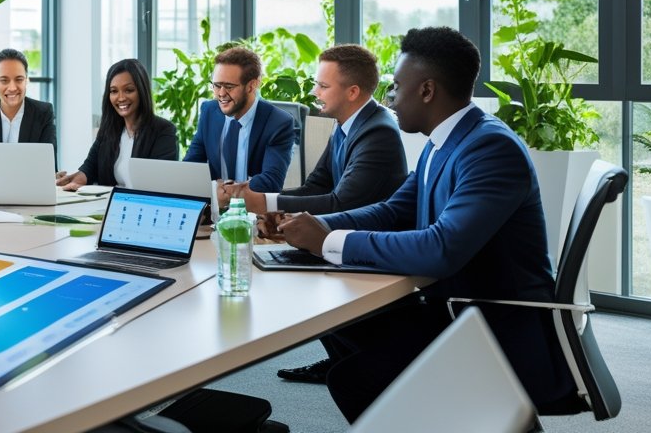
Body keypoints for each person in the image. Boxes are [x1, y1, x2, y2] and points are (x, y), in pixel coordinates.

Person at [277, 27, 576, 422]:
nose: (390, 98)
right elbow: (391, 210)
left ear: (428, 90)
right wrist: (310, 226)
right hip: (454, 306)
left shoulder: (489, 148)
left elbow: (441, 249)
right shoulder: (444, 141)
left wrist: (329, 242)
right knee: (339, 319)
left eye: (397, 87)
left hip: (491, 325)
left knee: (355, 378)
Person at [221, 44, 406, 385]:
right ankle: (340, 358)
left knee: (288, 269)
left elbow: (340, 203)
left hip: (369, 253)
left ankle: (351, 360)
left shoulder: (377, 132)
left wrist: (260, 203)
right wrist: (270, 205)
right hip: (341, 238)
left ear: (352, 92)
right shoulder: (347, 124)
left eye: (322, 86)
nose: (314, 92)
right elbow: (315, 186)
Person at [184, 46, 295, 192]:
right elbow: (191, 167)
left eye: (229, 86)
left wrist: (228, 192)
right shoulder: (209, 111)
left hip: (253, 211)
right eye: (217, 86)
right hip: (214, 208)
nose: (221, 94)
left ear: (251, 85)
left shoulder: (278, 122)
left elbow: (271, 181)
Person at [55, 58, 177, 189]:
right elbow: (90, 166)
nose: (121, 98)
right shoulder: (109, 130)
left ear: (142, 91)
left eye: (129, 90)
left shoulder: (163, 131)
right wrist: (77, 179)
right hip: (108, 204)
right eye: (114, 91)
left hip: (143, 205)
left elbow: (161, 182)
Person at [0, 48, 56, 155]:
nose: (12, 88)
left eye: (19, 79)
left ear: (26, 81)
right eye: (4, 80)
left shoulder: (43, 112)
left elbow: (49, 162)